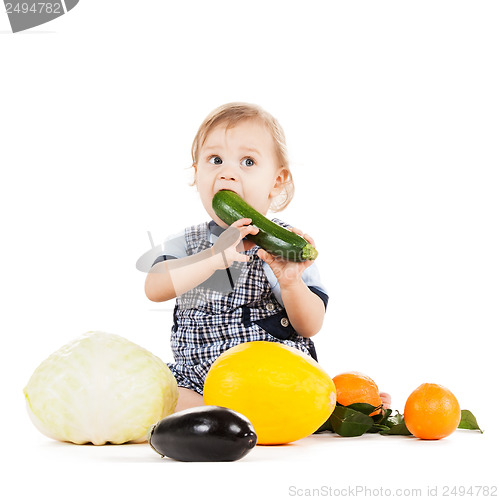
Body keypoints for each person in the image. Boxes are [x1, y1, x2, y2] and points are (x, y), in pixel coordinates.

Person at [144, 102, 390, 412]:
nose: (227, 173)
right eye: (215, 160)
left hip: (270, 381)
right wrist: (212, 258)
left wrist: (291, 283)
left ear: (277, 181)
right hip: (198, 382)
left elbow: (309, 325)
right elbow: (154, 288)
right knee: (156, 398)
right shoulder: (186, 242)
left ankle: (336, 406)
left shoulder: (286, 246)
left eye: (247, 161)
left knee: (300, 399)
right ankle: (221, 415)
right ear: (197, 173)